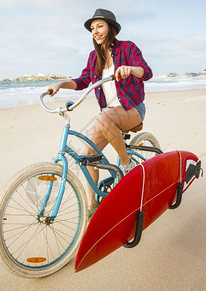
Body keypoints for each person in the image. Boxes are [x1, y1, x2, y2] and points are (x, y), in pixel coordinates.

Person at [48, 8, 153, 216]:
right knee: (88, 156)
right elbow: (82, 81)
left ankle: (126, 164)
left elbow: (146, 71)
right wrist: (60, 84)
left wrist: (130, 69)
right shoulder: (93, 57)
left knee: (103, 118)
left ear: (111, 28)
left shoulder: (127, 48)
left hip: (132, 108)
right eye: (92, 28)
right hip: (108, 113)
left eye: (100, 26)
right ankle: (92, 206)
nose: (95, 31)